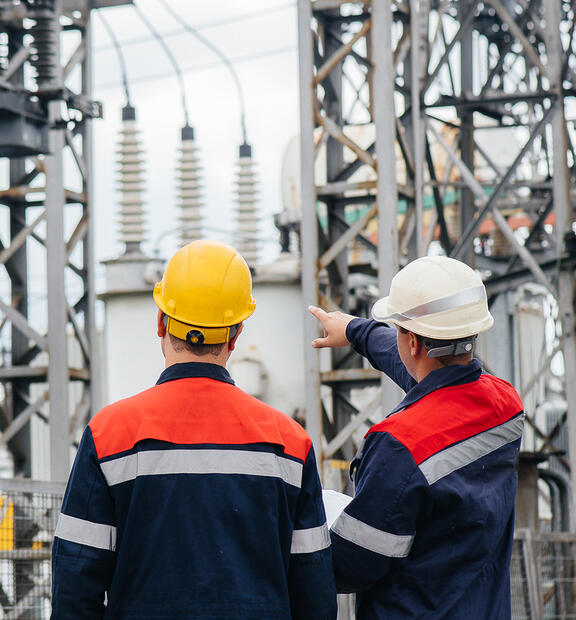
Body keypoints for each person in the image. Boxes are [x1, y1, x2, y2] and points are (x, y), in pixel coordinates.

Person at [51, 240, 337, 620]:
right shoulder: (288, 442)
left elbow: (75, 582)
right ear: (235, 335)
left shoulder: (110, 434)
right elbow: (313, 590)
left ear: (160, 322)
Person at [309, 255, 524, 620]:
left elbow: (351, 566)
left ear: (411, 343)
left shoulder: (399, 446)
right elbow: (432, 380)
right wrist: (357, 331)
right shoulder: (506, 405)